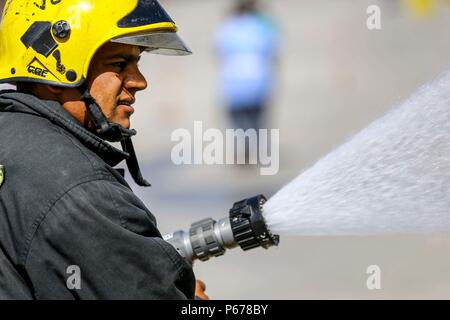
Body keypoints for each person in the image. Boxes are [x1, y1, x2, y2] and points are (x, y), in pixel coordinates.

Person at [0, 0, 207, 300]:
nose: (139, 82)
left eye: (138, 63)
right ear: (56, 73)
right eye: (119, 64)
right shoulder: (85, 192)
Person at [215, 0, 279, 164]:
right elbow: (274, 50)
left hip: (233, 82)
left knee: (237, 122)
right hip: (259, 80)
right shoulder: (263, 25)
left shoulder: (227, 26)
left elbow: (218, 50)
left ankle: (242, 149)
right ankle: (253, 150)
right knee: (256, 120)